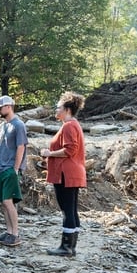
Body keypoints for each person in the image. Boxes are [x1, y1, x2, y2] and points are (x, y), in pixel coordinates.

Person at [40, 91, 86, 256]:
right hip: (73, 172)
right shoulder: (74, 124)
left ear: (67, 110)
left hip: (66, 173)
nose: (56, 110)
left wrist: (49, 154)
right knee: (71, 209)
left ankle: (66, 247)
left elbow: (70, 149)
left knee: (67, 209)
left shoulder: (68, 126)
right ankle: (71, 246)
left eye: (58, 107)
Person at [0, 95, 28, 246]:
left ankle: (15, 234)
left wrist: (16, 168)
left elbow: (21, 147)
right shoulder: (2, 126)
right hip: (0, 169)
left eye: (0, 108)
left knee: (8, 201)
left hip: (10, 169)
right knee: (3, 202)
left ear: (9, 107)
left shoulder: (18, 125)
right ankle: (9, 232)